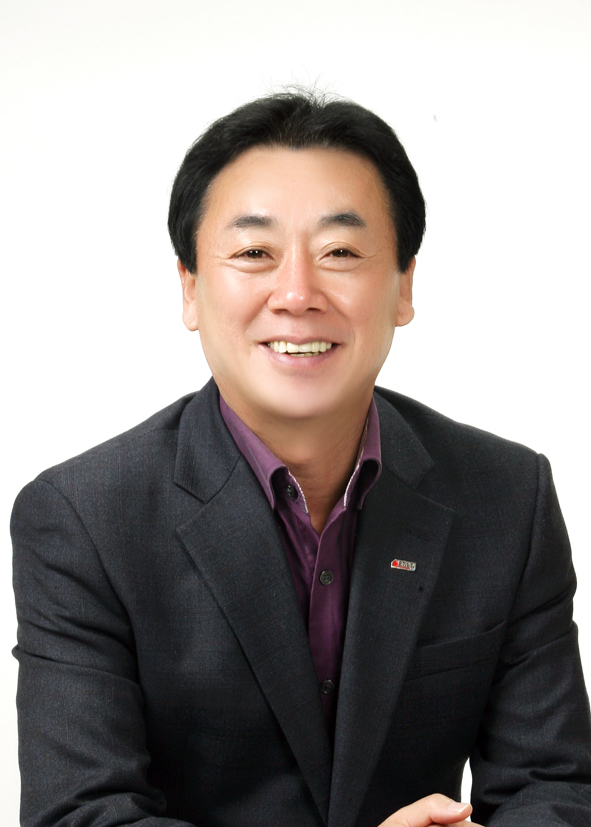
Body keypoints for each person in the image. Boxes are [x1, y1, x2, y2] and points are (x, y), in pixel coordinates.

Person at [11, 91, 591, 827]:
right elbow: (81, 813)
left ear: (404, 285)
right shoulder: (84, 517)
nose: (296, 293)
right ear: (189, 287)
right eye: (254, 254)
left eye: (339, 253)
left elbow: (556, 788)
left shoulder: (506, 496)